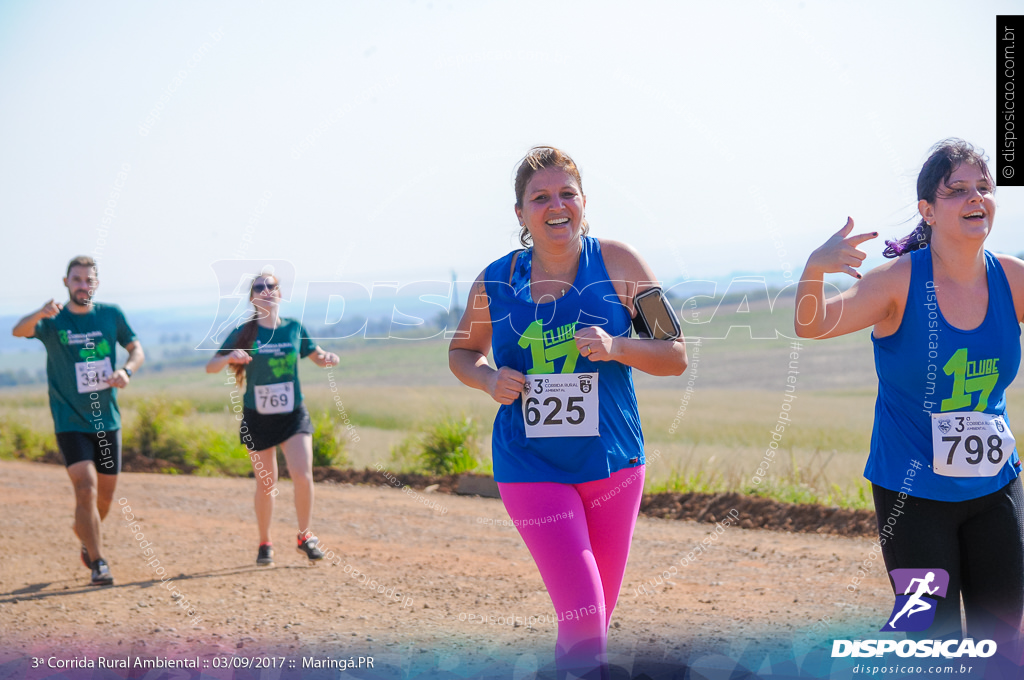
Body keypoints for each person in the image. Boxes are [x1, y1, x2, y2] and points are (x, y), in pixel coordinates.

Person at [449, 146, 688, 679]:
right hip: (529, 463)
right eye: (540, 198)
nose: (556, 206)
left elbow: (675, 355)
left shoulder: (621, 263)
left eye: (566, 194)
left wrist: (617, 345)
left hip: (614, 463)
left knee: (592, 622)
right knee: (583, 614)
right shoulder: (495, 281)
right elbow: (461, 353)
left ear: (583, 202)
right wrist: (489, 379)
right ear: (520, 214)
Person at [795, 139, 1024, 661]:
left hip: (995, 485)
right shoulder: (899, 281)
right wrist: (814, 267)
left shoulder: (1011, 278)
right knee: (928, 640)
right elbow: (810, 324)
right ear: (927, 210)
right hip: (912, 494)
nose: (976, 198)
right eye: (958, 190)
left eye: (983, 188)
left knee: (1006, 644)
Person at [11, 256, 145, 586]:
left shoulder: (111, 314)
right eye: (77, 279)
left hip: (106, 420)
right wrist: (40, 313)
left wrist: (126, 371)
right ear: (66, 282)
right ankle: (99, 562)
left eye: (88, 280)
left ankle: (84, 532)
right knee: (85, 489)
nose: (83, 285)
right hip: (69, 419)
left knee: (104, 500)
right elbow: (18, 331)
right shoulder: (53, 320)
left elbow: (136, 349)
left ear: (95, 283)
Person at [205, 272, 339, 566]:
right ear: (252, 297)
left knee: (303, 475)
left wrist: (326, 357)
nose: (265, 290)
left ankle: (305, 536)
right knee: (268, 483)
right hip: (258, 417)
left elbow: (313, 354)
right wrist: (229, 357)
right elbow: (210, 367)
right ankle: (265, 541)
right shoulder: (245, 332)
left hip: (293, 414)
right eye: (258, 287)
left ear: (280, 293)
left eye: (271, 286)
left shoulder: (293, 328)